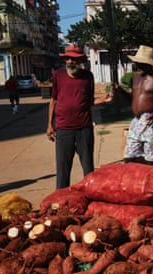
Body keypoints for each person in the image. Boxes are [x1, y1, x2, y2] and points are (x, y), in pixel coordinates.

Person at [46, 45, 113, 189]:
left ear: (80, 61)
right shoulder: (58, 75)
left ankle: (90, 194)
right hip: (63, 129)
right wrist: (50, 125)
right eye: (68, 59)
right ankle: (61, 199)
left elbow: (89, 101)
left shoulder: (88, 76)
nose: (71, 61)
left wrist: (103, 99)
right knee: (63, 168)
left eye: (75, 59)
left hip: (84, 128)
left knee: (88, 166)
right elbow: (54, 100)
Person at [115, 45, 153, 166]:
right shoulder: (136, 78)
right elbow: (131, 99)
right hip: (137, 120)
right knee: (129, 156)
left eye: (142, 63)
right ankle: (135, 180)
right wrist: (119, 90)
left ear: (149, 64)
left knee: (150, 158)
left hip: (151, 119)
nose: (138, 66)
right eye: (137, 63)